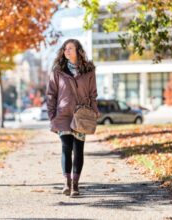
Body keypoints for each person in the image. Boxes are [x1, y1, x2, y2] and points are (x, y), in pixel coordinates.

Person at [46, 39, 100, 197]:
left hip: (81, 115)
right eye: (65, 49)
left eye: (70, 48)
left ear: (78, 51)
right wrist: (52, 115)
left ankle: (75, 185)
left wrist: (94, 111)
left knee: (78, 149)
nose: (66, 51)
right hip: (63, 115)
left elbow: (93, 94)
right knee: (66, 148)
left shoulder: (89, 71)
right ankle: (66, 183)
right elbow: (51, 95)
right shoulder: (57, 71)